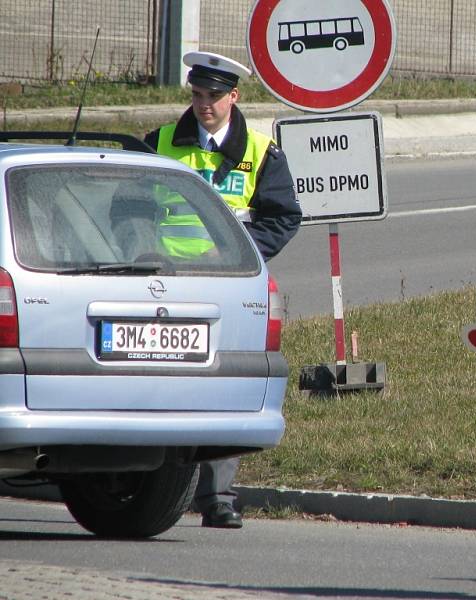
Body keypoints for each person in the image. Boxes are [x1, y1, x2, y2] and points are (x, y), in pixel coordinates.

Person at [144, 51, 302, 529]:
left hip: (225, 288)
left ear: (234, 96)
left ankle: (218, 497)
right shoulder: (161, 142)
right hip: (161, 282)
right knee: (158, 382)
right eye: (196, 95)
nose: (203, 105)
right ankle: (150, 485)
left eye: (213, 96)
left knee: (222, 384)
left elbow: (283, 216)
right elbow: (126, 208)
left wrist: (239, 254)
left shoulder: (260, 150)